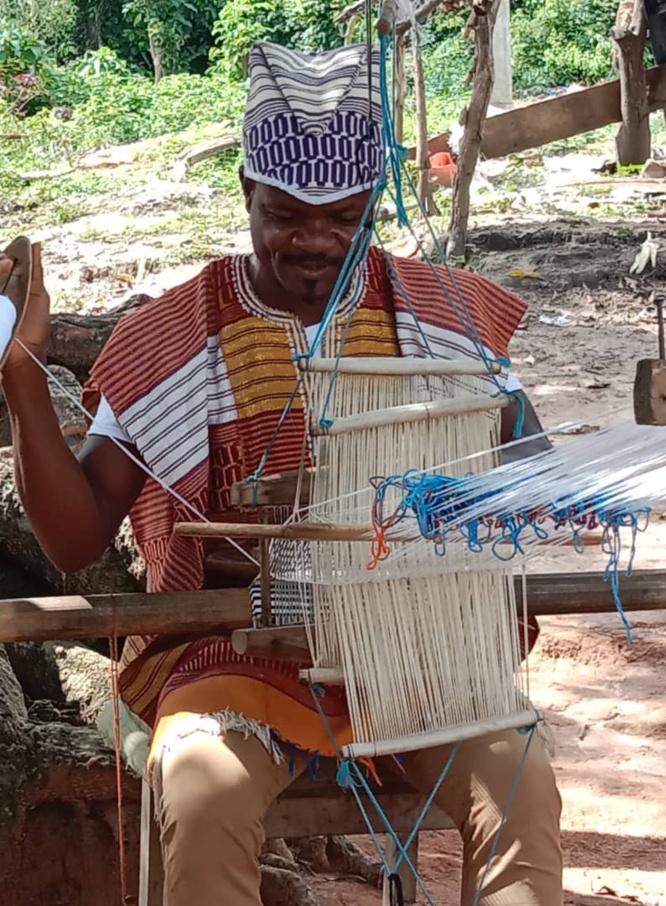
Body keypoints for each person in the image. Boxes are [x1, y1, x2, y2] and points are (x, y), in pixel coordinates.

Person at [0, 41, 561, 906]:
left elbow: (535, 484)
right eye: (286, 214)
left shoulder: (446, 319)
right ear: (245, 198)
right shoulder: (174, 336)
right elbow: (74, 545)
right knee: (205, 792)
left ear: (372, 205)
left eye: (342, 218)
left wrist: (469, 511)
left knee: (519, 784)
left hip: (421, 659)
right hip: (231, 659)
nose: (313, 241)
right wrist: (22, 379)